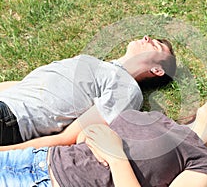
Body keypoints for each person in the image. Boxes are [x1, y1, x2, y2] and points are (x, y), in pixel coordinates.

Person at [0, 95, 207, 186]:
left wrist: (116, 155)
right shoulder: (155, 117)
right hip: (35, 158)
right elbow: (81, 139)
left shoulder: (201, 163)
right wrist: (89, 136)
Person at [0, 35, 177, 147]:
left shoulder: (127, 89)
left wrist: (7, 153)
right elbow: (22, 85)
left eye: (156, 46)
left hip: (14, 119)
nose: (147, 38)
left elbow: (69, 137)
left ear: (157, 70)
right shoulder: (99, 65)